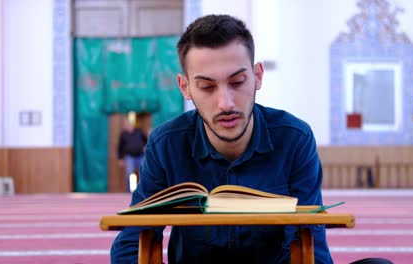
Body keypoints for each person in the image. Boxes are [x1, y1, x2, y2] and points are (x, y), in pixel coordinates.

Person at [111, 14, 393, 264]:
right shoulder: (166, 143)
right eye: (207, 87)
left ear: (257, 76)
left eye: (237, 83)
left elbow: (311, 239)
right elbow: (131, 241)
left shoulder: (293, 138)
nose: (226, 103)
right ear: (185, 87)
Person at [117, 113, 150, 192]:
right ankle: (129, 191)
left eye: (129, 124)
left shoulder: (139, 131)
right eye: (126, 125)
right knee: (129, 174)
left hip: (141, 156)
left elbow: (146, 141)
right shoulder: (123, 135)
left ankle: (144, 190)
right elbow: (120, 147)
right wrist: (120, 158)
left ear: (132, 125)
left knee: (144, 173)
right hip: (130, 157)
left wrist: (145, 147)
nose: (127, 126)